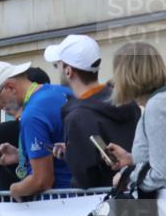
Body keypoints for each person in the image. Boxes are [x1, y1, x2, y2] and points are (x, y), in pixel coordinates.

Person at [44, 34, 142, 189]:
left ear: (68, 71)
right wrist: (72, 150)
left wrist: (71, 155)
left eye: (58, 65)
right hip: (138, 192)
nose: (58, 70)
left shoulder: (76, 117)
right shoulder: (126, 100)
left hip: (106, 200)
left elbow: (86, 178)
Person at [0, 60, 73, 200]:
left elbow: (42, 180)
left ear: (10, 87)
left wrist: (15, 189)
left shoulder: (32, 114)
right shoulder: (61, 91)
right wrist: (22, 155)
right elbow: (62, 148)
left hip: (62, 203)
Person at [105, 42, 166, 211]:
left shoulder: (157, 105)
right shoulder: (158, 102)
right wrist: (131, 159)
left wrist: (127, 178)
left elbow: (161, 174)